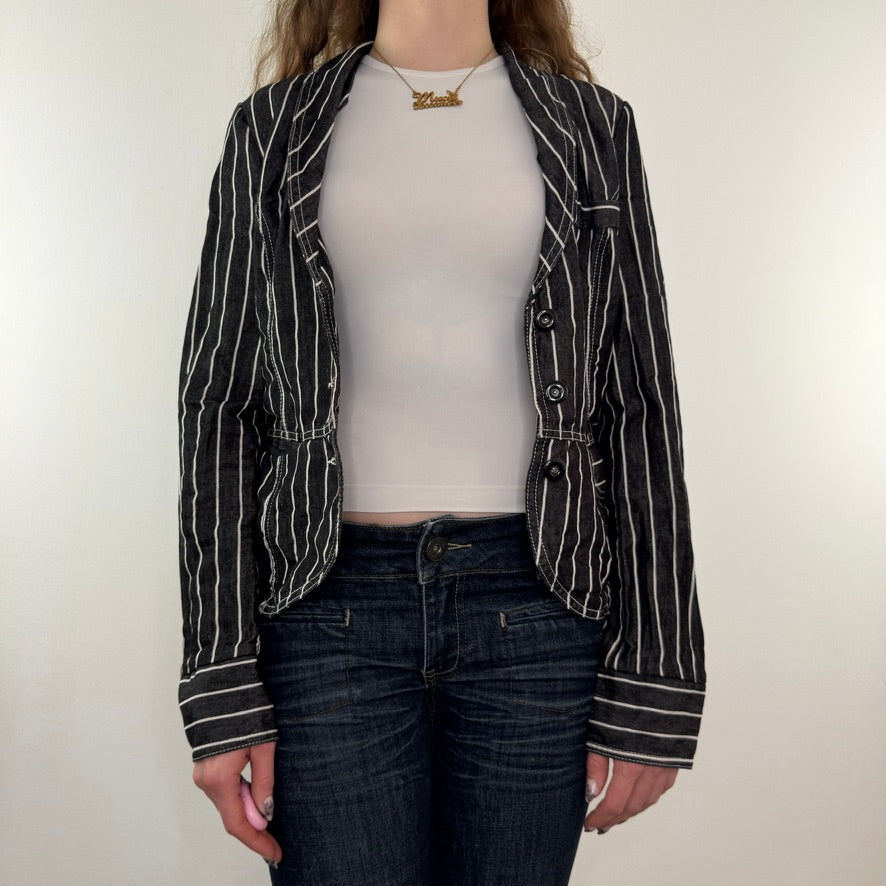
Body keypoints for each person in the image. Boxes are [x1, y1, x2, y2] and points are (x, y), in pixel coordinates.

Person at [176, 1, 706, 883]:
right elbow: (220, 405)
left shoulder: (594, 128)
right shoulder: (271, 130)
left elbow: (641, 403)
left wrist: (658, 675)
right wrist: (220, 680)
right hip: (324, 607)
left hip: (538, 599)